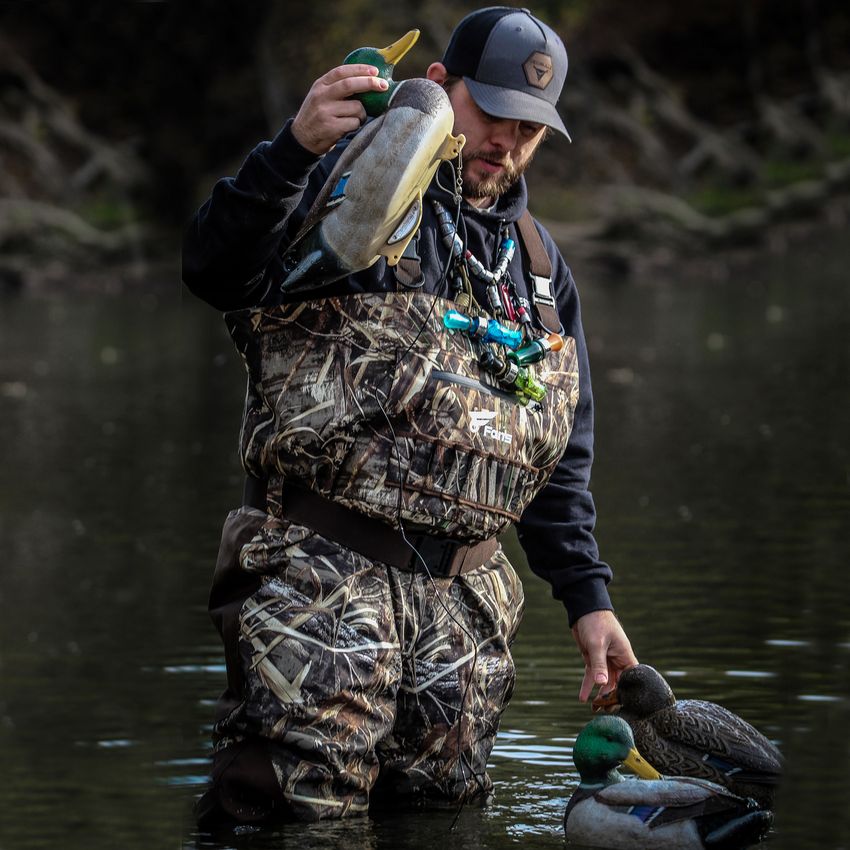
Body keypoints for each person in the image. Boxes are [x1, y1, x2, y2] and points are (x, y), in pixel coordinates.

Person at [183, 6, 638, 828]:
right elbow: (215, 267)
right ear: (438, 87)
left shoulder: (538, 267)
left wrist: (588, 598)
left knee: (440, 826)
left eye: (528, 127)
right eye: (489, 112)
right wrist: (293, 149)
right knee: (291, 823)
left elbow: (560, 453)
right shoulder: (351, 185)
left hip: (467, 612)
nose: (505, 139)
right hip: (324, 583)